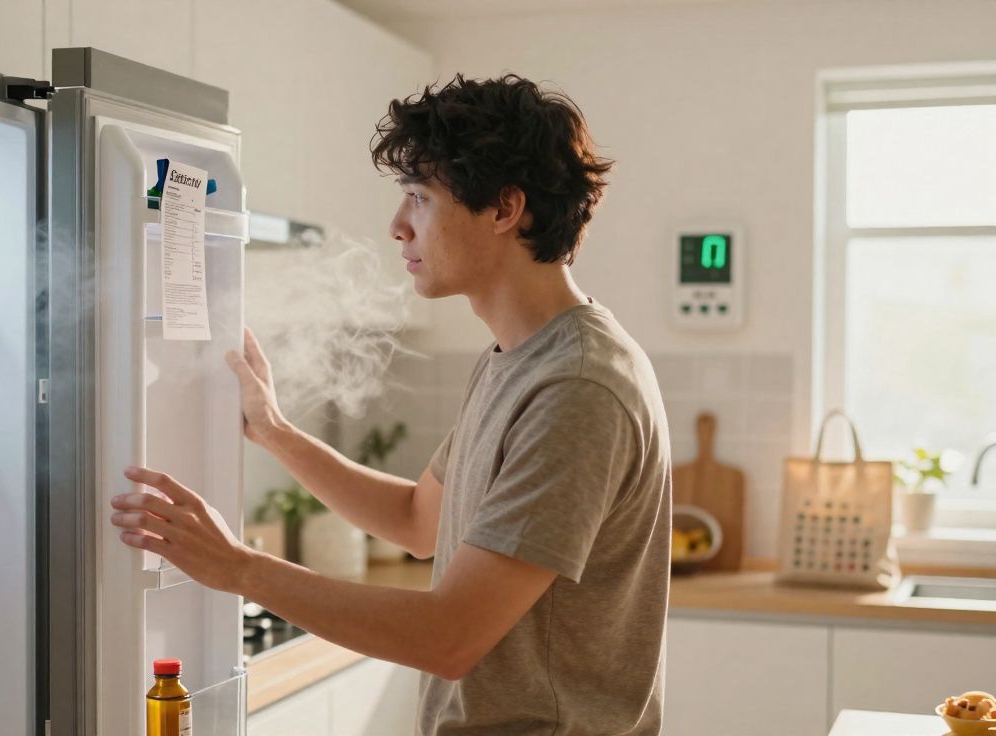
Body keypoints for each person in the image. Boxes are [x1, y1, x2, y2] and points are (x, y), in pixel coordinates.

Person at [110, 74, 671, 735]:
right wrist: (275, 431)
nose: (398, 226)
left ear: (503, 209)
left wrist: (239, 568)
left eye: (419, 197)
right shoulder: (517, 361)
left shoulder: (578, 388)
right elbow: (417, 520)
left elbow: (449, 638)